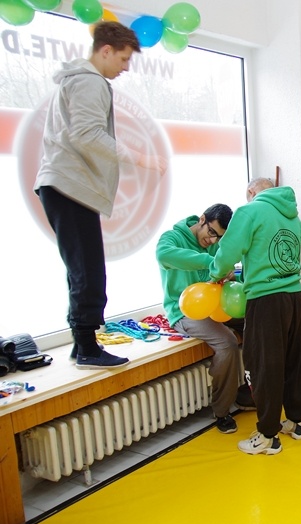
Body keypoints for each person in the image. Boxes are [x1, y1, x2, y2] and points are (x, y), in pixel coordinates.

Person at [33, 22, 165, 369]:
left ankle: (82, 343)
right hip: (69, 186)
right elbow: (87, 134)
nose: (126, 67)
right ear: (105, 50)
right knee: (89, 271)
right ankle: (87, 348)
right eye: (123, 58)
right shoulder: (89, 82)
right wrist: (139, 158)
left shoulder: (77, 81)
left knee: (82, 268)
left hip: (65, 186)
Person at [209, 183, 301, 456]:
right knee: (293, 361)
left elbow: (229, 250)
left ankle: (267, 436)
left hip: (265, 299)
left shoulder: (250, 211)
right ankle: (297, 422)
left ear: (252, 192)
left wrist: (215, 272)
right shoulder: (293, 217)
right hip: (293, 296)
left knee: (264, 366)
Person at [156, 204, 246, 434]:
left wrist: (229, 275)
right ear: (202, 219)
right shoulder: (172, 238)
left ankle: (250, 389)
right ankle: (222, 411)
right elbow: (163, 255)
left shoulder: (215, 244)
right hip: (183, 312)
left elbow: (222, 274)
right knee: (227, 342)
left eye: (219, 238)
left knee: (257, 322)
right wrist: (211, 262)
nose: (213, 240)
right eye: (212, 232)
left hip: (216, 306)